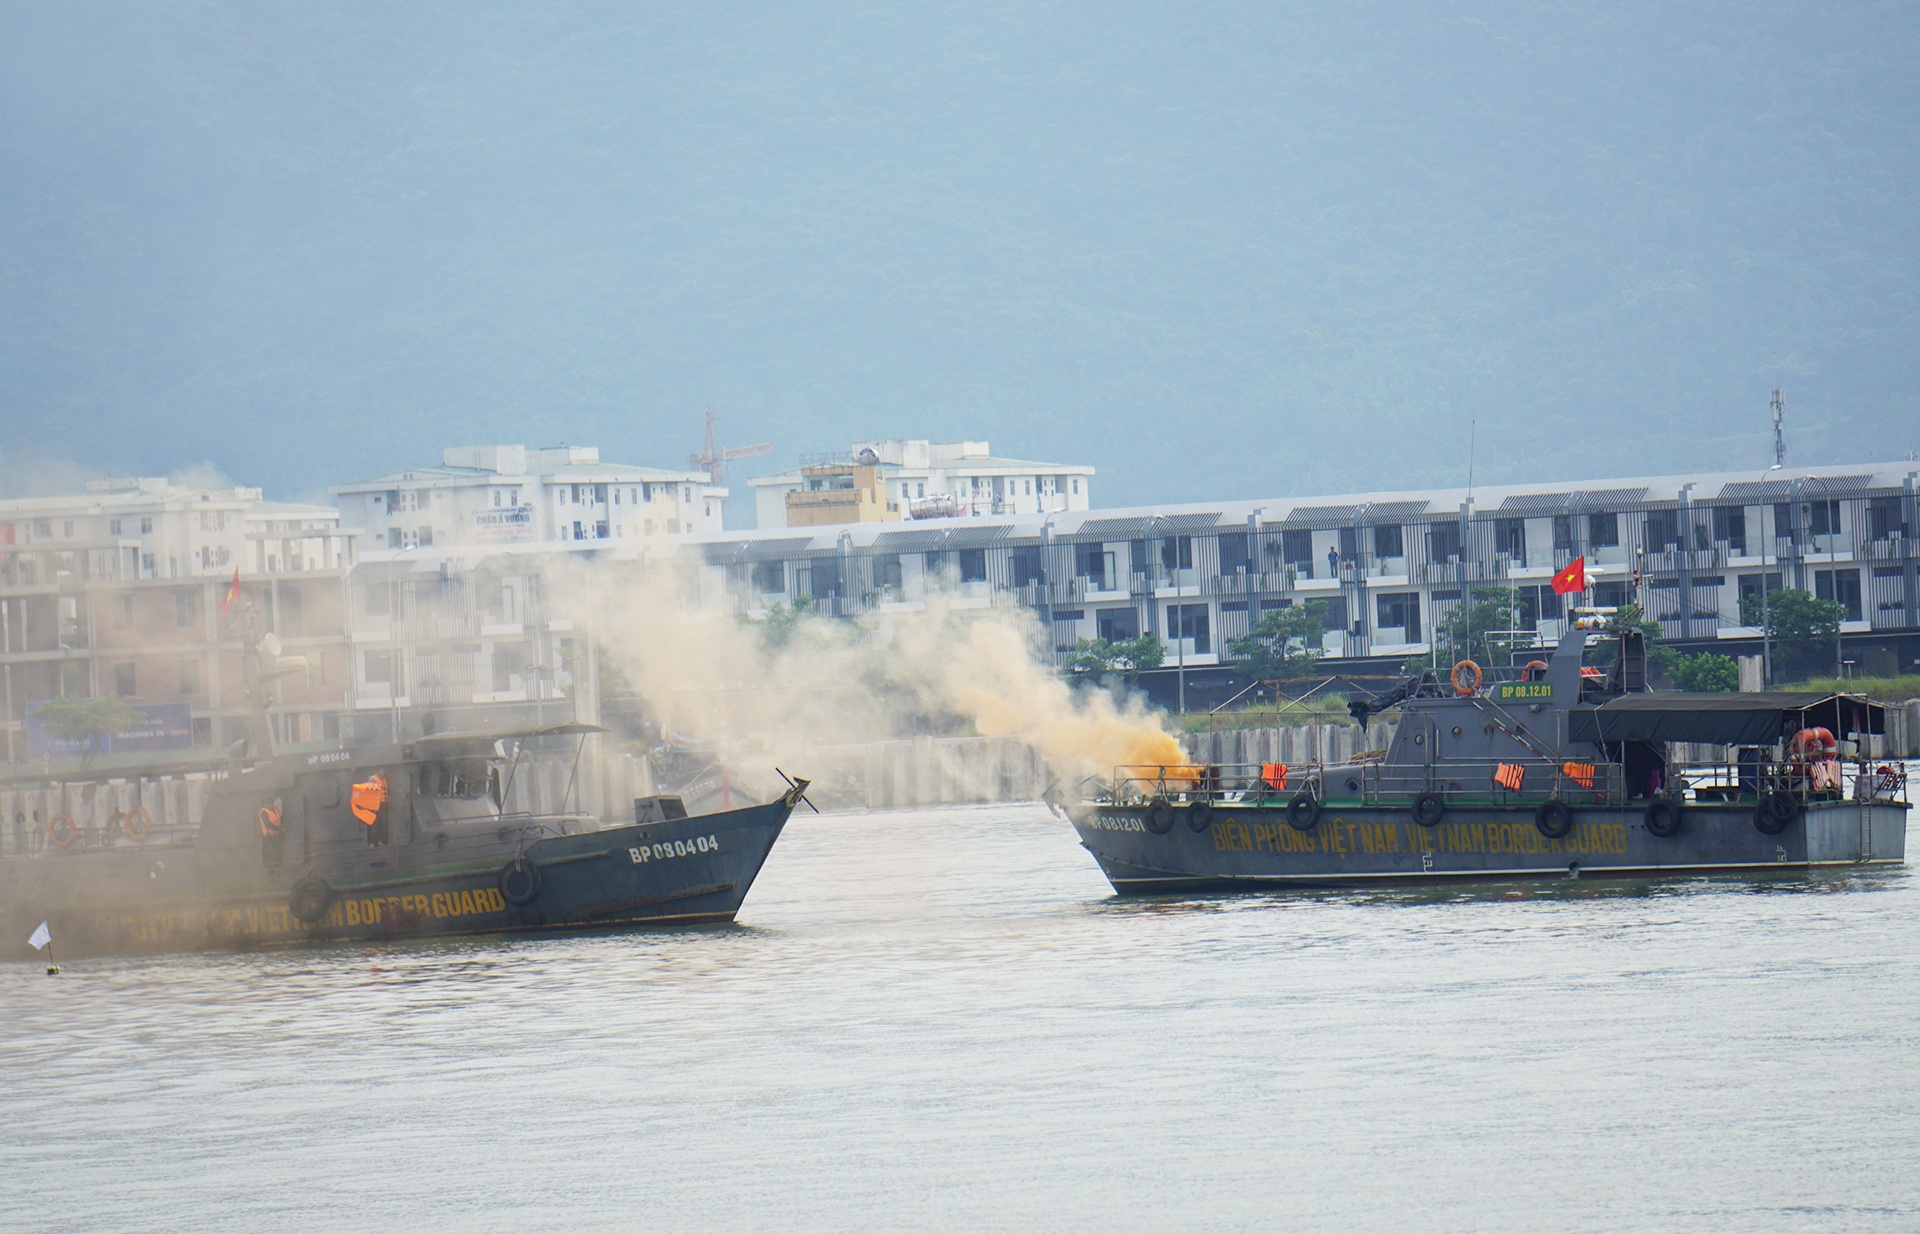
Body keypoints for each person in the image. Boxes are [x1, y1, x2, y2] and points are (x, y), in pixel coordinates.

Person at [351, 771, 390, 847]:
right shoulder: (372, 779)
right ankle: (372, 842)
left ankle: (380, 840)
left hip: (384, 803)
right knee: (375, 822)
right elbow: (370, 791)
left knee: (383, 823)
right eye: (382, 771)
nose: (383, 772)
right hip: (376, 803)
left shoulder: (385, 779)